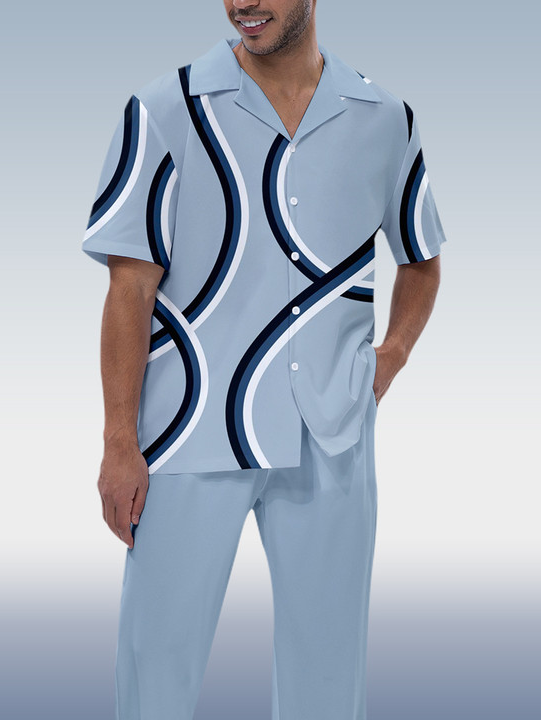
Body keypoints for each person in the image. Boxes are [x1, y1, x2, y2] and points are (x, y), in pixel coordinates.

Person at [81, 1, 447, 718]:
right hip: (190, 432)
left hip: (331, 437)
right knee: (157, 669)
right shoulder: (165, 110)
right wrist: (119, 441)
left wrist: (390, 358)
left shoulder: (383, 118)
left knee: (328, 674)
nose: (243, 3)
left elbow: (421, 258)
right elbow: (130, 288)